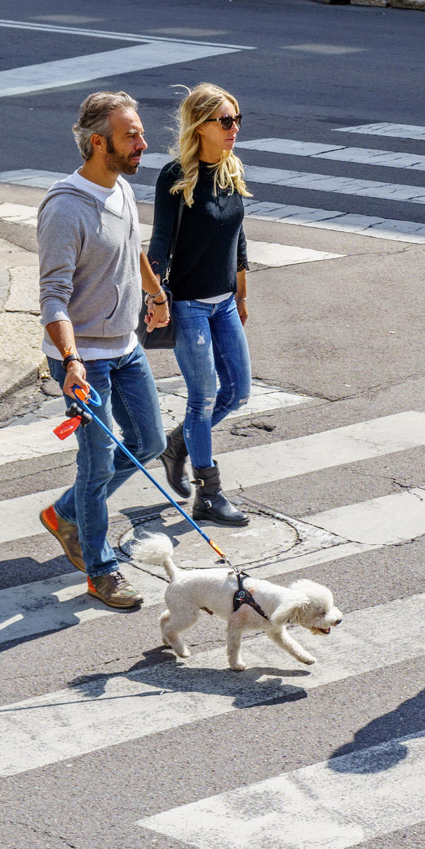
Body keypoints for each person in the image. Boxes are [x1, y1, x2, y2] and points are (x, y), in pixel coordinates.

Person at [37, 90, 169, 609]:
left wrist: (155, 294)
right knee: (98, 463)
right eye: (131, 135)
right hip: (83, 359)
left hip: (125, 346)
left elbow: (131, 245)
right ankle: (101, 570)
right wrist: (70, 363)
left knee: (149, 442)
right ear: (98, 143)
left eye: (139, 132)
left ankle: (65, 513)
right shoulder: (65, 209)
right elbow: (53, 298)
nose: (143, 143)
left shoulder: (119, 190)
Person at [148, 83, 253, 527]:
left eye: (237, 120)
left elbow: (237, 237)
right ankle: (208, 494)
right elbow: (159, 244)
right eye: (225, 121)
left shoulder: (231, 168)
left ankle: (178, 444)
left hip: (225, 304)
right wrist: (156, 296)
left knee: (238, 391)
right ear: (201, 126)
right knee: (204, 395)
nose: (234, 129)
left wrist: (242, 294)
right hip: (189, 305)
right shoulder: (176, 177)